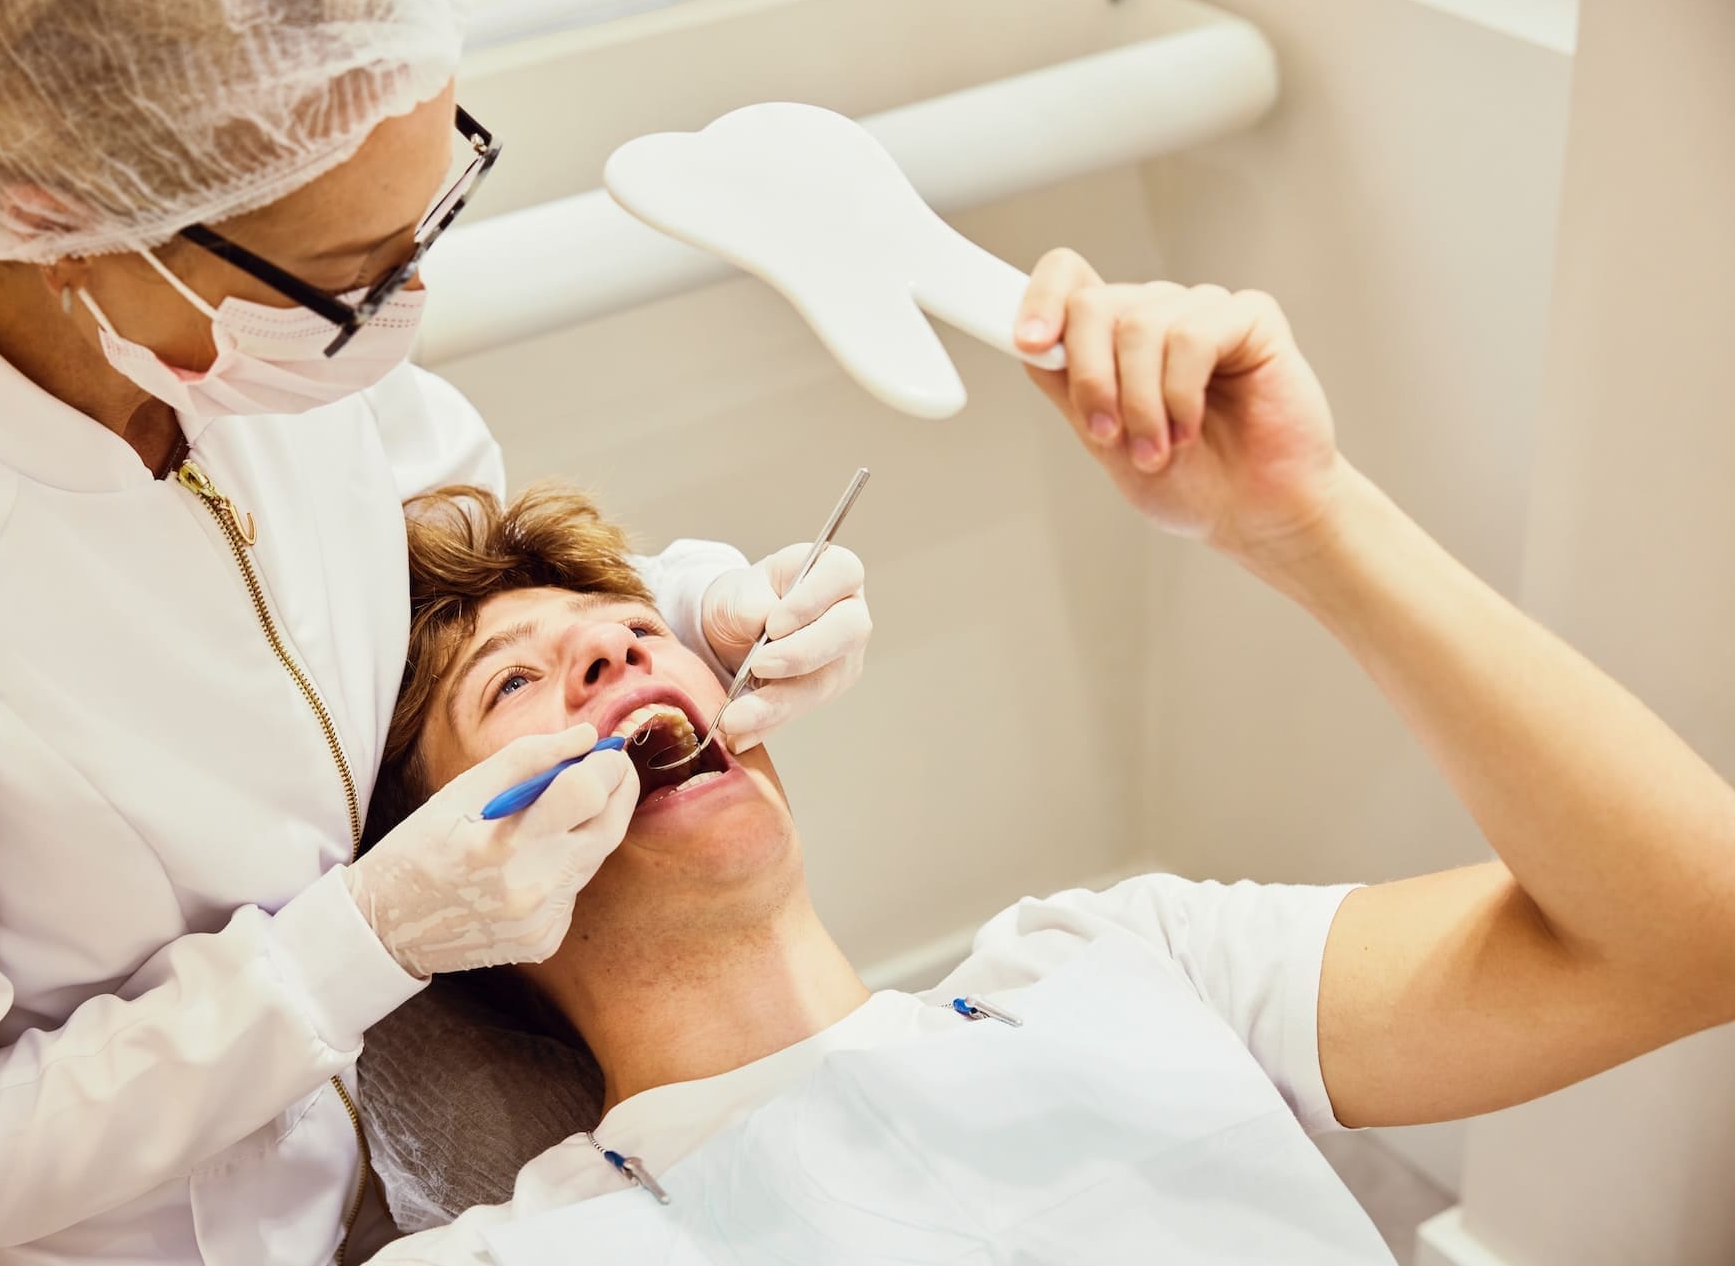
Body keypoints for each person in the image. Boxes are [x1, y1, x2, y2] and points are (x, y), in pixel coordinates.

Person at [350, 268, 1735, 1263]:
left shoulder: (1119, 962)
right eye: (514, 684)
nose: (614, 660)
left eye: (635, 632)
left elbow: (1690, 934)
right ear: (461, 900)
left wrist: (1303, 518)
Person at [0, 0, 870, 1263]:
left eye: (423, 216)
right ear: (60, 222)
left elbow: (434, 569)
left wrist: (692, 603)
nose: (406, 292)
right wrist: (354, 950)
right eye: (347, 278)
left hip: (427, 1178)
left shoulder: (246, 333)